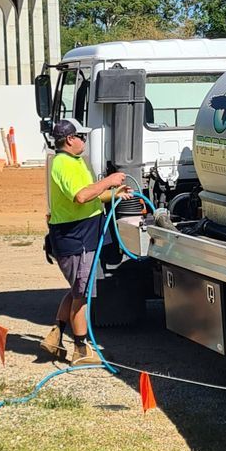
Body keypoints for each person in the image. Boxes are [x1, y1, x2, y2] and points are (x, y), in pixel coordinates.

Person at [39, 119, 128, 365]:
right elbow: (81, 195)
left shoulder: (75, 162)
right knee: (82, 294)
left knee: (78, 289)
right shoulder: (63, 164)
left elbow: (92, 196)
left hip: (82, 235)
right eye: (82, 137)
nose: (84, 141)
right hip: (75, 238)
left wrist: (116, 193)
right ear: (69, 139)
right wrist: (109, 181)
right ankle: (80, 350)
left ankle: (55, 336)